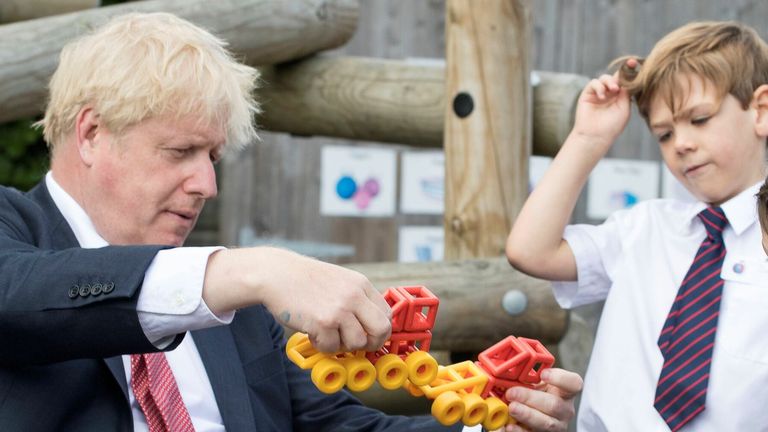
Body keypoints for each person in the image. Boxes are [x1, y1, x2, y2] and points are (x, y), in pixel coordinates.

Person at [0, 12, 582, 432]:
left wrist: (494, 428)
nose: (207, 185)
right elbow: (24, 295)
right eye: (180, 152)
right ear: (92, 133)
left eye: (214, 157)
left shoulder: (234, 299)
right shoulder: (15, 229)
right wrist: (254, 269)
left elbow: (341, 426)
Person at [507, 20, 768, 431]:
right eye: (664, 134)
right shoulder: (644, 229)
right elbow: (529, 251)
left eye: (699, 119)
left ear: (760, 110)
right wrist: (588, 138)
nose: (680, 143)